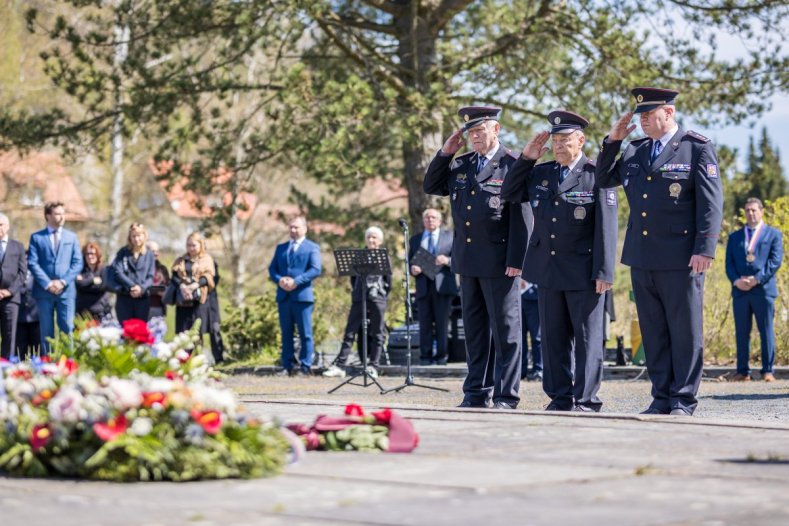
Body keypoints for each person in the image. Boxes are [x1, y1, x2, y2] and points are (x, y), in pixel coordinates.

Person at [596, 87, 724, 416]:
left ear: (668, 113)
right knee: (654, 332)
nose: (642, 122)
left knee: (684, 331)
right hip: (643, 255)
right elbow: (603, 179)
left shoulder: (696, 147)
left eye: (648, 116)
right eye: (639, 117)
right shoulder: (636, 150)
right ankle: (662, 396)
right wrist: (613, 141)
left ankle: (683, 398)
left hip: (682, 256)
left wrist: (704, 248)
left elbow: (711, 204)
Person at [502, 110, 618, 412]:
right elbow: (510, 192)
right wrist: (526, 159)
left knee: (587, 340)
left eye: (565, 140)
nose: (558, 146)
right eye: (555, 140)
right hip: (548, 270)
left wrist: (605, 270)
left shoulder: (596, 174)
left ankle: (586, 399)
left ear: (580, 141)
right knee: (553, 339)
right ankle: (560, 396)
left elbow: (607, 226)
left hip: (584, 271)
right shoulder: (542, 172)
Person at [424, 105, 531, 409]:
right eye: (470, 133)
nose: (474, 137)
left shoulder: (512, 165)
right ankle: (475, 392)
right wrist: (445, 153)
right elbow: (431, 185)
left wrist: (517, 260)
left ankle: (506, 395)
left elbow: (522, 218)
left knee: (506, 331)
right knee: (474, 331)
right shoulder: (462, 164)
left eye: (480, 131)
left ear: (496, 130)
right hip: (468, 261)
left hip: (501, 263)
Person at [725, 197, 783, 382]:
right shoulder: (735, 237)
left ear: (761, 211)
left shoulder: (773, 234)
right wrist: (736, 281)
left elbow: (775, 262)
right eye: (748, 210)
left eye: (754, 210)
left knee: (766, 330)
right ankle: (743, 371)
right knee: (742, 332)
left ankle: (767, 371)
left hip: (763, 290)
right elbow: (729, 264)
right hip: (741, 291)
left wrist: (757, 279)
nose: (750, 213)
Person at [324, 226, 391, 378]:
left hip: (377, 298)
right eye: (369, 237)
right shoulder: (358, 257)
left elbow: (389, 282)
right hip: (360, 297)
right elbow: (353, 279)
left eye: (374, 237)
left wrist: (380, 295)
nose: (371, 240)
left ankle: (374, 365)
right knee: (350, 331)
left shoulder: (384, 257)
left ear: (380, 241)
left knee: (377, 332)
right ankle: (340, 365)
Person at [268, 216, 322, 376]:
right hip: (284, 297)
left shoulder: (312, 247)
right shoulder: (281, 248)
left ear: (305, 228)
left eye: (296, 227)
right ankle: (287, 366)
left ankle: (305, 366)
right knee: (286, 333)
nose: (293, 230)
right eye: (291, 227)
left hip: (302, 297)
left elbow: (315, 269)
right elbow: (272, 269)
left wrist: (296, 281)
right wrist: (280, 280)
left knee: (305, 333)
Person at [28, 201, 83, 355]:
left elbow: (77, 262)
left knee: (67, 328)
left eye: (63, 213)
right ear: (48, 216)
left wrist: (62, 282)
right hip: (44, 292)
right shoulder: (37, 237)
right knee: (46, 331)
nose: (62, 217)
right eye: (58, 213)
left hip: (66, 292)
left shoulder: (72, 237)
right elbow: (33, 262)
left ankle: (68, 365)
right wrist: (47, 283)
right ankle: (47, 366)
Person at [408, 208, 458, 365]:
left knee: (443, 324)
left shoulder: (450, 237)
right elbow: (410, 261)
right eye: (427, 218)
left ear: (440, 220)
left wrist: (447, 261)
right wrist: (413, 269)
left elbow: (460, 259)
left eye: (433, 217)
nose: (430, 220)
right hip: (423, 287)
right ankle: (425, 357)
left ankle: (442, 357)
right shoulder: (415, 240)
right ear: (423, 221)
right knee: (424, 324)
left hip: (442, 287)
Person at [171, 232, 215, 339]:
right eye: (188, 245)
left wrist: (195, 285)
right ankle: (183, 356)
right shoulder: (181, 260)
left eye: (193, 245)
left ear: (200, 245)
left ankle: (196, 354)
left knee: (196, 334)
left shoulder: (206, 259)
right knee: (182, 333)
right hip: (183, 301)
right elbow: (174, 275)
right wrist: (183, 286)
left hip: (198, 301)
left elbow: (208, 276)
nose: (191, 248)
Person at [111, 223, 155, 323]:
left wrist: (141, 288)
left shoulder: (149, 254)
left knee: (140, 333)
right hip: (124, 298)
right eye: (133, 236)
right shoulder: (123, 252)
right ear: (130, 237)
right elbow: (118, 272)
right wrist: (132, 286)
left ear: (144, 236)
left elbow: (150, 277)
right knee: (125, 332)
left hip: (142, 299)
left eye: (139, 235)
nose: (136, 239)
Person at [0, 213, 28, 359]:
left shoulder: (18, 247)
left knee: (9, 336)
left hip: (11, 300)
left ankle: (5, 370)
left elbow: (22, 273)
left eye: (1, 225)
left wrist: (9, 291)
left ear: (8, 226)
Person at [75, 242, 112, 320]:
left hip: (100, 312)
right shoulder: (79, 270)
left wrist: (84, 282)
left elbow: (102, 287)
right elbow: (78, 285)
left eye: (92, 253)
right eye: (87, 254)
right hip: (82, 313)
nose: (90, 256)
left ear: (97, 255)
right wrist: (92, 280)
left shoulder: (104, 270)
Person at [519, 279, 542, 382]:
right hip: (517, 297)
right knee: (519, 338)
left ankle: (538, 369)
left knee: (537, 337)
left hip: (533, 295)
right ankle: (520, 370)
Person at [15, 266, 40, 358]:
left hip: (37, 315)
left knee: (39, 353)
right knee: (19, 353)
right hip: (18, 316)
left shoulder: (38, 266)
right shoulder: (13, 266)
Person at [206, 260, 226, 364]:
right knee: (196, 330)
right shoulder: (186, 262)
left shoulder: (211, 262)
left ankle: (219, 358)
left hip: (211, 302)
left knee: (215, 329)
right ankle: (194, 360)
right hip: (195, 303)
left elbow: (215, 280)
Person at [147, 241, 170, 319]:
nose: (156, 253)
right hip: (143, 307)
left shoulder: (162, 269)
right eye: (153, 251)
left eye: (157, 251)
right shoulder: (140, 268)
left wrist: (165, 291)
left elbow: (168, 286)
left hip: (159, 308)